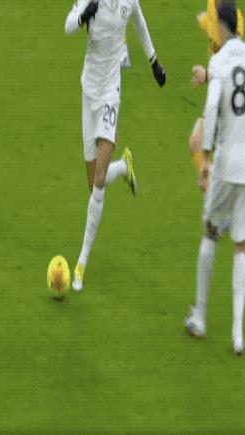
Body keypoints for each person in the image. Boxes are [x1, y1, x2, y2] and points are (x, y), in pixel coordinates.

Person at [184, 0, 245, 354]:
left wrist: (206, 155)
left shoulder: (219, 61)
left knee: (211, 233)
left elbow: (212, 107)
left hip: (225, 161)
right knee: (241, 246)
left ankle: (200, 316)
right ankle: (238, 335)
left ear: (222, 26)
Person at [64, 0, 166, 291]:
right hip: (89, 93)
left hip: (110, 94)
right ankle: (122, 168)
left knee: (98, 183)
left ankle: (81, 263)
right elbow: (68, 27)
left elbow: (140, 24)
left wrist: (154, 62)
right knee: (92, 180)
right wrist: (84, 16)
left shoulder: (129, 2)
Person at [189, 0, 245, 245]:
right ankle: (224, 208)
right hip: (216, 104)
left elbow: (233, 68)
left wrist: (207, 75)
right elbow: (209, 25)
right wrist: (203, 22)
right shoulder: (211, 11)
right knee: (195, 142)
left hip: (234, 110)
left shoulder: (235, 20)